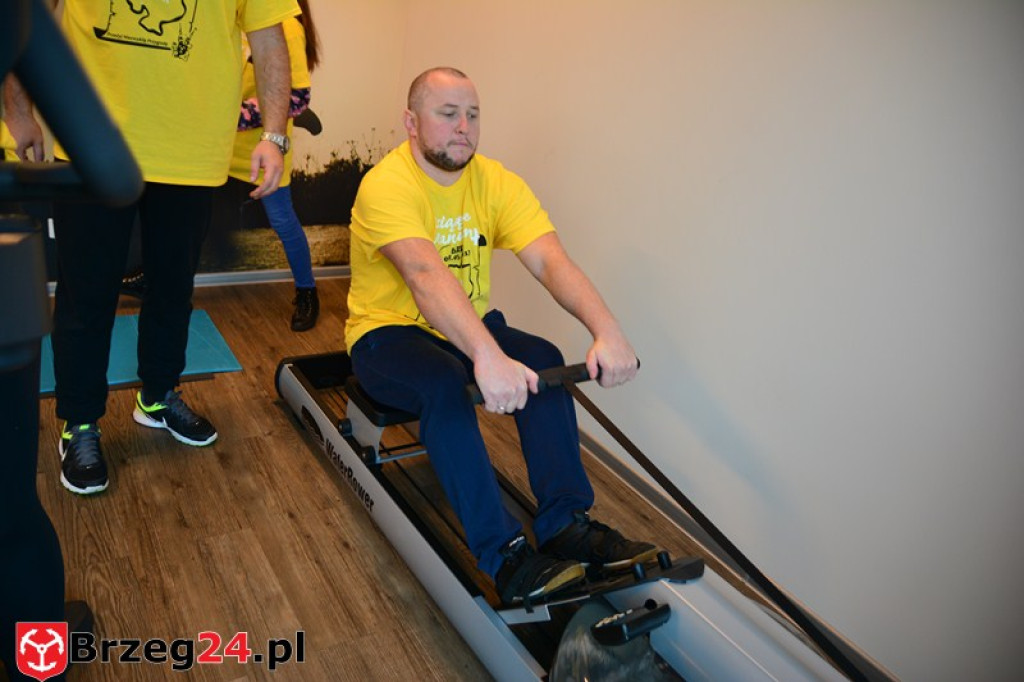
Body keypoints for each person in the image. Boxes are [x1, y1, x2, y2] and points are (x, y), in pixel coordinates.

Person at [346, 67, 658, 605]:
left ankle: (565, 523)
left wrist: (608, 331)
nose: (463, 127)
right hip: (387, 335)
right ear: (411, 122)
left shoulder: (495, 181)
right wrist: (486, 355)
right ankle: (505, 556)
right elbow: (424, 276)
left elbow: (550, 260)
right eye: (448, 114)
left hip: (466, 326)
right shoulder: (387, 184)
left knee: (544, 359)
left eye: (472, 115)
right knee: (444, 382)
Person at [3, 0, 299, 496]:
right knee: (86, 295)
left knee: (172, 290)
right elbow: (27, 16)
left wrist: (274, 134)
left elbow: (269, 39)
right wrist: (17, 111)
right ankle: (79, 421)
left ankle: (158, 396)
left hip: (191, 152)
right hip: (93, 143)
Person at [228, 0, 322, 331]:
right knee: (185, 215)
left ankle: (307, 291)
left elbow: (297, 97)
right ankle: (153, 275)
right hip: (221, 148)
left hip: (264, 148)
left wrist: (233, 116)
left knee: (282, 219)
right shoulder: (231, 20)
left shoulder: (287, 28)